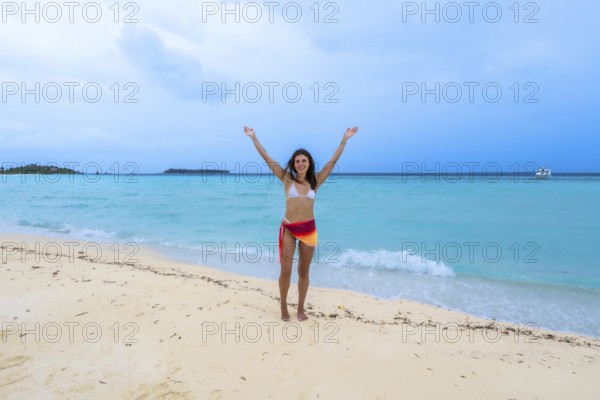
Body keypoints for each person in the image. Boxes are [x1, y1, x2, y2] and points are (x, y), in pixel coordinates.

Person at [244, 125, 359, 321]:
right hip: (288, 227)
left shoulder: (316, 180)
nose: (300, 163)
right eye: (297, 161)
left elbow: (332, 162)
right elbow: (267, 157)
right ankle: (283, 306)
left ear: (309, 162)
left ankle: (300, 308)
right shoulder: (286, 179)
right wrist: (254, 138)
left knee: (303, 271)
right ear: (293, 163)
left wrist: (344, 140)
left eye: (303, 160)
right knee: (286, 270)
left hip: (308, 230)